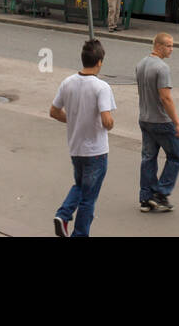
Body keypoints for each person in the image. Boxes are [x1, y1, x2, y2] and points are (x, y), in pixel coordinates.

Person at [50, 39, 116, 237]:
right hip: (96, 151)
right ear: (99, 62)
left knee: (80, 186)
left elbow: (54, 111)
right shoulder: (101, 87)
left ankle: (63, 215)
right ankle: (79, 233)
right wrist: (111, 123)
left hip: (76, 148)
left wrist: (73, 120)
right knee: (89, 197)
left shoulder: (68, 82)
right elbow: (106, 120)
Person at [136, 32, 179, 212]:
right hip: (161, 121)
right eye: (169, 46)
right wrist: (177, 123)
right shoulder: (162, 68)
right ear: (159, 46)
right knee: (176, 155)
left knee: (148, 158)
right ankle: (161, 193)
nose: (172, 49)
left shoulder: (140, 64)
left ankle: (146, 199)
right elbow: (166, 98)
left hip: (144, 118)